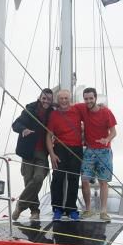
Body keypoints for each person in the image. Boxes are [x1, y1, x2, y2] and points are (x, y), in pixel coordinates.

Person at [10, 88, 53, 221]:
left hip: (42, 153)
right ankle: (35, 212)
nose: (46, 101)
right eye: (44, 98)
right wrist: (23, 130)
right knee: (28, 180)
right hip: (28, 151)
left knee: (38, 178)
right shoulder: (30, 110)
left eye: (49, 99)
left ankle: (20, 205)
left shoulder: (52, 113)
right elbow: (15, 124)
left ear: (51, 101)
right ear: (39, 98)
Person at [78, 87, 117, 220]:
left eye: (91, 98)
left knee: (103, 181)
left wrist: (107, 139)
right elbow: (66, 106)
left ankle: (103, 211)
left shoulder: (106, 112)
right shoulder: (82, 108)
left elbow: (114, 132)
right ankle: (88, 209)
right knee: (84, 179)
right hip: (89, 150)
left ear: (95, 98)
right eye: (86, 98)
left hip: (104, 151)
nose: (88, 101)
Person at [47, 89, 84, 220]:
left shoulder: (77, 110)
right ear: (58, 100)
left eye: (66, 98)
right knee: (58, 177)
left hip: (76, 148)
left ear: (70, 99)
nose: (63, 101)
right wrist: (51, 154)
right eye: (61, 98)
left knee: (73, 179)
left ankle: (71, 209)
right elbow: (49, 135)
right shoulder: (54, 115)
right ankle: (57, 208)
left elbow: (92, 108)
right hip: (60, 148)